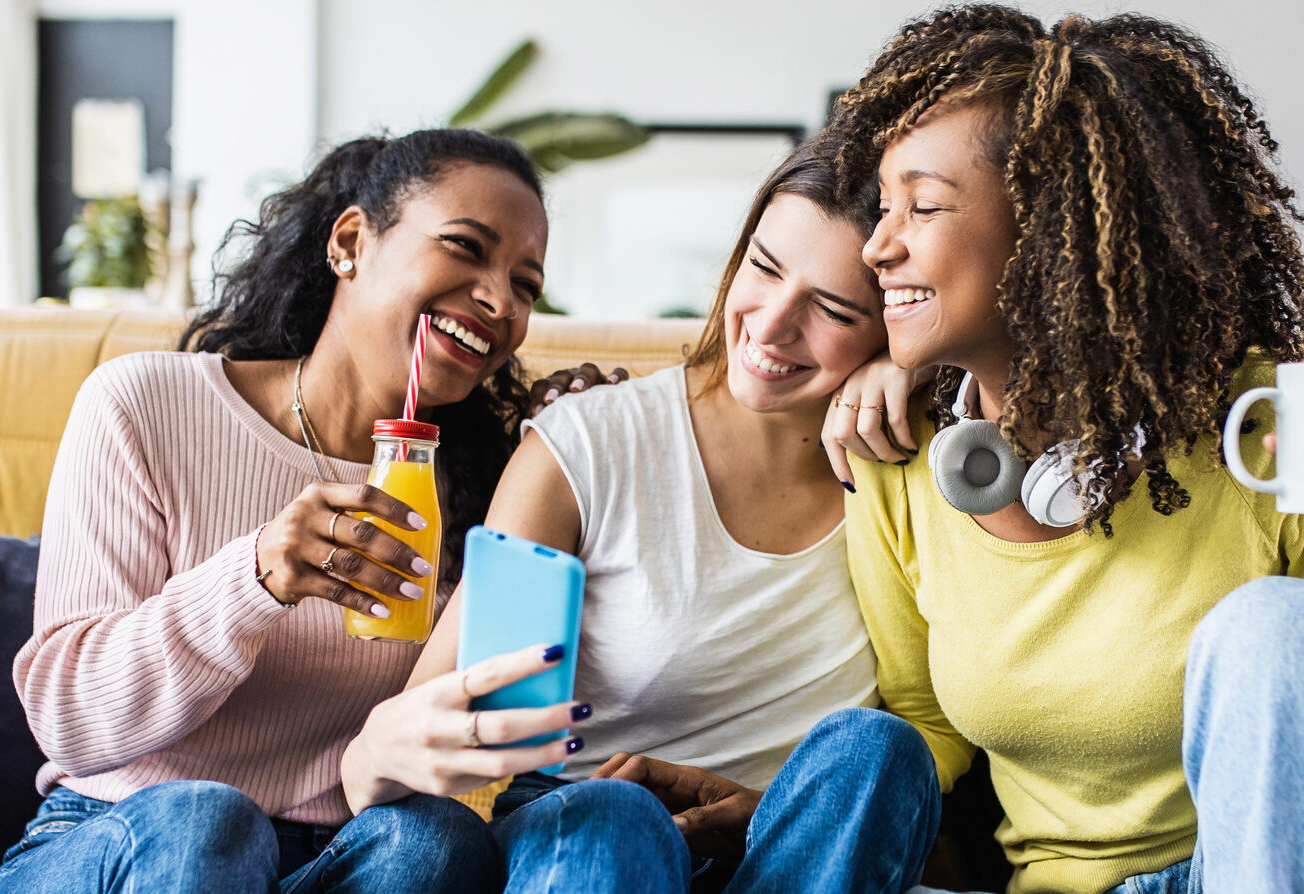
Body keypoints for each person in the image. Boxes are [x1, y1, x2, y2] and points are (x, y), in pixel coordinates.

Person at [816, 8, 1304, 893]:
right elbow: (925, 723)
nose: (877, 247)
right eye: (882, 207)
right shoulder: (896, 454)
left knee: (1276, 624)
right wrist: (782, 808)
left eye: (921, 206)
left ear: (1051, 230)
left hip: (1277, 870)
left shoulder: (1268, 429)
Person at [0, 129, 588, 894]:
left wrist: (578, 461)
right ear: (350, 242)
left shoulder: (491, 485)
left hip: (332, 861)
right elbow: (68, 721)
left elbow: (512, 718)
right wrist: (255, 576)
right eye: (466, 247)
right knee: (205, 821)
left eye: (525, 286)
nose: (500, 301)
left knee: (432, 842)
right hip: (123, 837)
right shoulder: (144, 405)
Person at [340, 142, 941, 893]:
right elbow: (428, 724)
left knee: (877, 749)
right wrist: (385, 756)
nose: (770, 327)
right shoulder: (589, 445)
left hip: (787, 859)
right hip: (586, 835)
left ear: (892, 319)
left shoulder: (918, 470)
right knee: (618, 816)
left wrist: (921, 362)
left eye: (832, 309)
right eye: (763, 267)